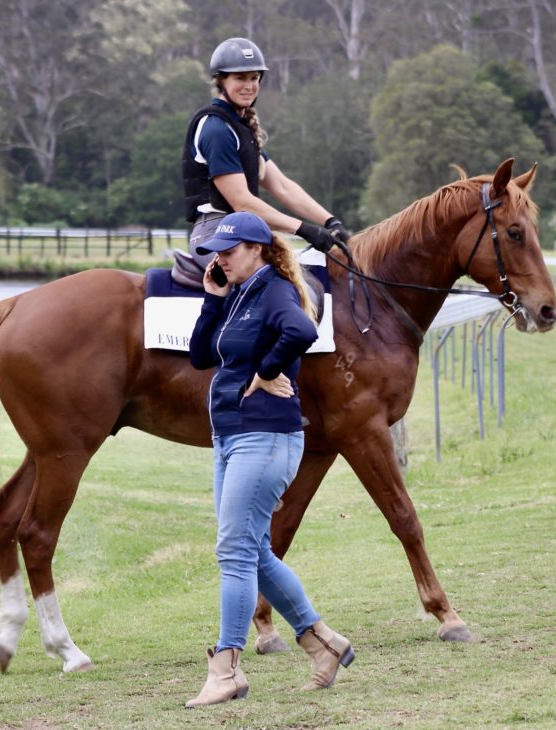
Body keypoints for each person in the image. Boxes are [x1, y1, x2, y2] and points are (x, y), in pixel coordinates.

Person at [185, 211, 355, 708]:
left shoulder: (274, 289)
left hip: (265, 437)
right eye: (216, 252)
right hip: (232, 437)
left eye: (229, 251)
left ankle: (227, 670)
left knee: (234, 551)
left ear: (257, 249)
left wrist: (265, 371)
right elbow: (200, 356)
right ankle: (323, 643)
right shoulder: (236, 292)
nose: (220, 259)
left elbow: (301, 329)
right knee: (252, 553)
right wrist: (212, 300)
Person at [180, 37, 351, 276]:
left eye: (254, 78)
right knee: (276, 281)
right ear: (220, 81)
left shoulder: (241, 129)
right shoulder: (216, 129)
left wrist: (330, 222)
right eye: (240, 78)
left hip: (243, 231)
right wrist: (303, 229)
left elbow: (282, 187)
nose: (249, 86)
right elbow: (242, 202)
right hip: (216, 233)